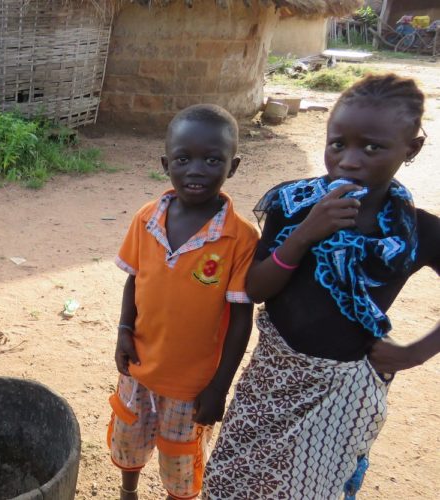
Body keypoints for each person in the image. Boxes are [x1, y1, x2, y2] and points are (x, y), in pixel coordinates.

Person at [203, 73, 440, 499]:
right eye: (337, 144)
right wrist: (305, 234)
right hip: (271, 381)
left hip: (344, 390)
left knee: (311, 489)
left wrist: (416, 352)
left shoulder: (416, 233)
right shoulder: (292, 206)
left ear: (412, 149)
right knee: (230, 480)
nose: (349, 160)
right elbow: (256, 289)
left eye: (372, 147)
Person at [109, 104, 258, 500]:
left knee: (180, 460)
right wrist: (124, 330)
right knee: (128, 436)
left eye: (212, 160)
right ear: (165, 164)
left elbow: (241, 319)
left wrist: (219, 386)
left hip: (192, 384)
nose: (196, 170)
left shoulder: (240, 238)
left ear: (233, 166)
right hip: (139, 366)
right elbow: (134, 279)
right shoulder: (146, 219)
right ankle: (128, 492)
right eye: (182, 159)